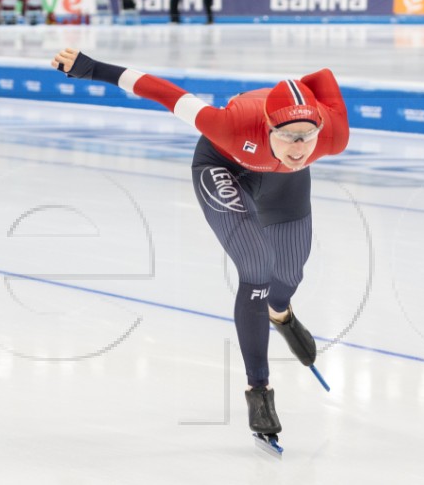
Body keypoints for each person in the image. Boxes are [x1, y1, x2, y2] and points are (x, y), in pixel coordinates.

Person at [50, 48, 349, 446]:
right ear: (268, 127)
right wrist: (91, 68)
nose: (299, 149)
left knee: (290, 273)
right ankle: (258, 389)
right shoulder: (228, 124)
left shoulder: (332, 136)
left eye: (307, 137)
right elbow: (162, 91)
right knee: (257, 267)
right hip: (224, 167)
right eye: (289, 137)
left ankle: (281, 313)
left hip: (284, 184)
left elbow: (324, 77)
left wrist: (301, 98)